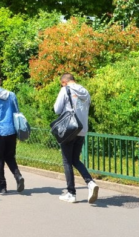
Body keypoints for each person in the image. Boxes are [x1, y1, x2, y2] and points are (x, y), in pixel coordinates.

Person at [54, 73, 99, 204]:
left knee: (67, 161)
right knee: (75, 159)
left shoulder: (65, 89)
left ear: (64, 82)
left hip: (69, 130)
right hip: (82, 129)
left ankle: (71, 193)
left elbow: (57, 109)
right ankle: (90, 183)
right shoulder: (85, 91)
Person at [0, 73, 24, 194]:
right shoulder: (11, 95)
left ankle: (2, 186)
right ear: (0, 81)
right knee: (10, 156)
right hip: (11, 131)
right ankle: (18, 176)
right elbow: (17, 113)